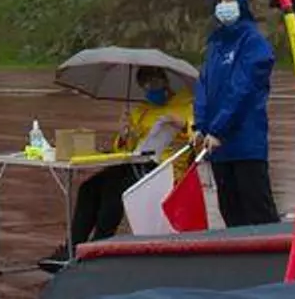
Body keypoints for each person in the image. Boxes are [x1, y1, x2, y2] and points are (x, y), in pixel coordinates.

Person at [39, 67, 193, 272]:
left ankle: (98, 248)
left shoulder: (187, 105)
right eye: (145, 87)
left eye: (154, 84)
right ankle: (72, 248)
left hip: (164, 168)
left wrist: (183, 125)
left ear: (165, 81)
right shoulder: (141, 110)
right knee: (89, 188)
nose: (151, 90)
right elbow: (123, 150)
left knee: (115, 190)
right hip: (136, 162)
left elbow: (199, 135)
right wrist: (124, 134)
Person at [194, 0, 279, 228]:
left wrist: (218, 128)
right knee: (231, 213)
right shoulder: (215, 44)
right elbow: (203, 85)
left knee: (259, 212)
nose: (224, 5)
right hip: (217, 147)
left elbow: (243, 89)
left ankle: (277, 251)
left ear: (241, 2)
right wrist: (200, 125)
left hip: (246, 143)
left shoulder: (253, 42)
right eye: (219, 1)